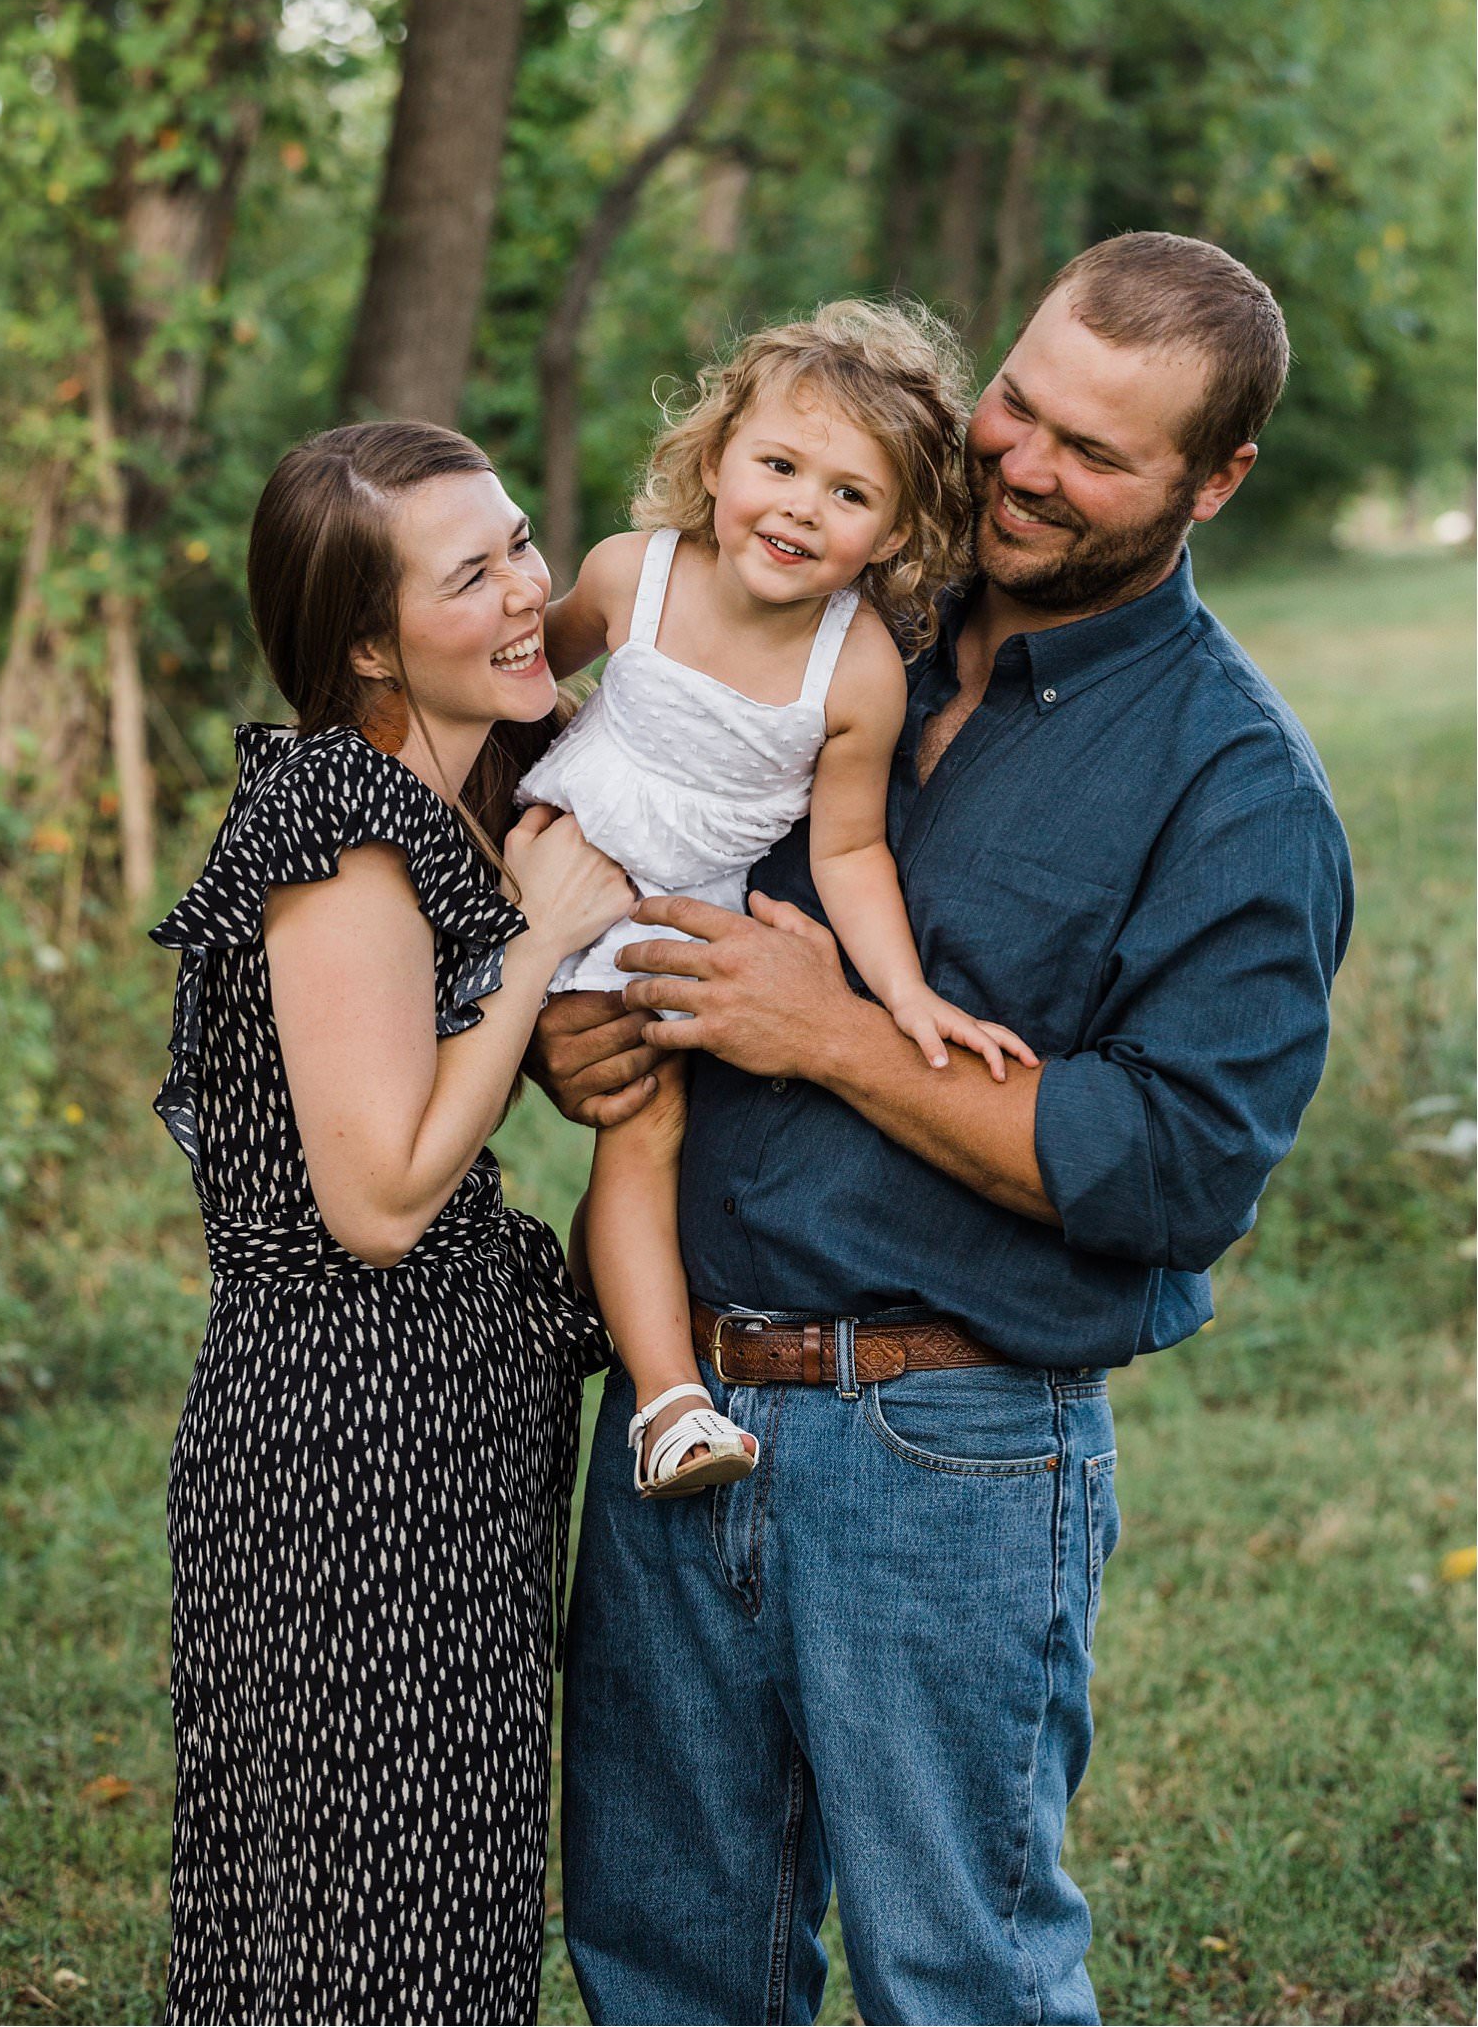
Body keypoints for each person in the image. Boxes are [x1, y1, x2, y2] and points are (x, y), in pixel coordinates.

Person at [535, 233, 1355, 2026]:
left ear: (1215, 481)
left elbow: (1177, 1165)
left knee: (956, 1978)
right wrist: (579, 1033)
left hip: (947, 1448)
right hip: (679, 1395)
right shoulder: (829, 619)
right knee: (662, 1962)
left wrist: (829, 1033)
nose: (1025, 465)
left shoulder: (1233, 784)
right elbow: (629, 836)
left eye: (1098, 452)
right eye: (1019, 407)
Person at [149, 422, 632, 2026]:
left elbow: (625, 593)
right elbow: (375, 1196)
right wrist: (541, 943)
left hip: (420, 1425)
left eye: (518, 539)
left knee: (422, 1891)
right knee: (370, 1919)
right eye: (472, 571)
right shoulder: (344, 842)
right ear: (366, 640)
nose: (527, 590)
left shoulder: (420, 796)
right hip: (351, 1450)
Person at [519, 303, 1034, 1499]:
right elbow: (518, 680)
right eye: (780, 465)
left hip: (667, 921)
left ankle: (666, 1404)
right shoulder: (628, 575)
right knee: (440, 1088)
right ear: (716, 461)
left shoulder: (854, 671)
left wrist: (904, 993)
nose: (803, 505)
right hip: (537, 861)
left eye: (851, 494)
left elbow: (850, 853)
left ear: (896, 532)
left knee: (642, 1135)